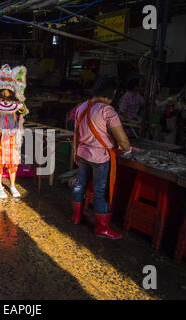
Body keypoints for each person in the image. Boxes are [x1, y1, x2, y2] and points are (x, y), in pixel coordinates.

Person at [72, 75, 132, 240]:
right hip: (100, 157)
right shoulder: (107, 110)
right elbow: (122, 140)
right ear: (112, 92)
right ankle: (102, 228)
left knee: (80, 185)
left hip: (83, 153)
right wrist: (127, 148)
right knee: (99, 192)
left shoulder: (81, 107)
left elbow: (76, 133)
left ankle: (76, 216)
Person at [0, 64, 29, 199]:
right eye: (3, 89)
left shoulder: (17, 104)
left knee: (12, 163)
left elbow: (23, 112)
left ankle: (13, 186)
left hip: (11, 138)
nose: (5, 92)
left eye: (8, 90)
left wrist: (20, 104)